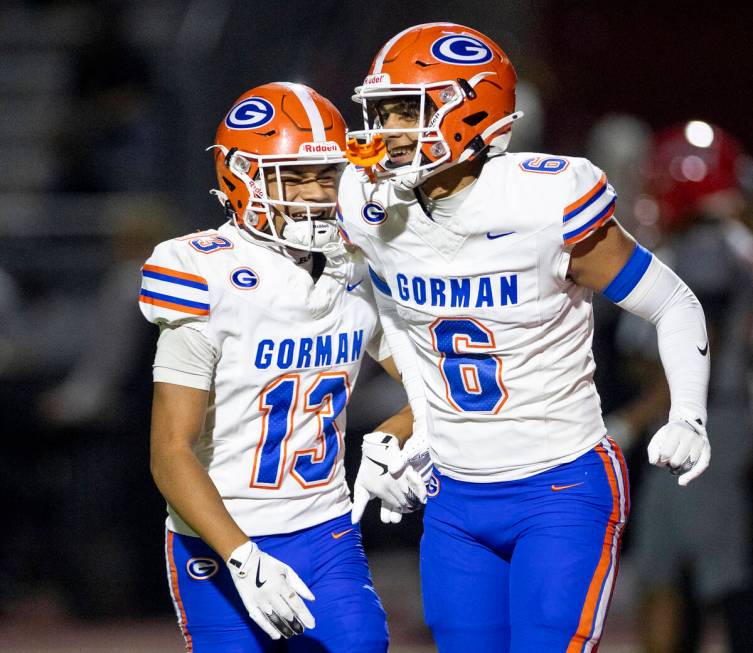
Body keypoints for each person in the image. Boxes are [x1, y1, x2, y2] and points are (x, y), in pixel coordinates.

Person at [340, 22, 711, 652]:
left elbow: (674, 302)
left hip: (560, 485)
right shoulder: (371, 206)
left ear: (472, 111)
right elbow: (387, 326)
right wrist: (409, 428)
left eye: (409, 112)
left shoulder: (544, 200)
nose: (387, 132)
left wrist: (690, 415)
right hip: (454, 497)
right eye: (384, 112)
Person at [140, 82, 425, 652]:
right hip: (219, 539)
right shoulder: (202, 274)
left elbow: (434, 386)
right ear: (241, 179)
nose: (316, 195)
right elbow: (170, 450)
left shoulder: (356, 267)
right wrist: (243, 558)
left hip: (325, 531)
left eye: (325, 176)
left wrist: (390, 440)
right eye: (293, 177)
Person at [609, 121, 753, 653]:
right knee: (673, 572)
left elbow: (701, 346)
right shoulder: (725, 242)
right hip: (712, 421)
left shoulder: (706, 249)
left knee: (715, 575)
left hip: (708, 424)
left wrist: (634, 418)